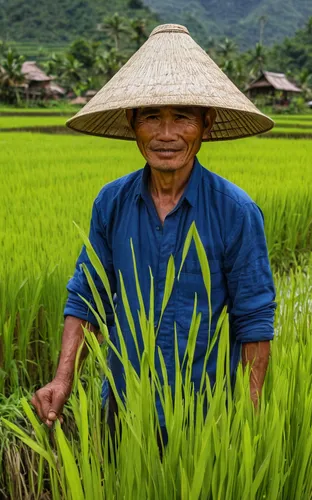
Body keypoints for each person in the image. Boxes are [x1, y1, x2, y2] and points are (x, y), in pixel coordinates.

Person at [31, 24, 276, 435]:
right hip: (124, 408)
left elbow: (254, 323)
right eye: (152, 117)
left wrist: (248, 418)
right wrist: (63, 378)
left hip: (205, 415)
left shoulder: (236, 212)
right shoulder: (111, 203)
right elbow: (86, 294)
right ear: (131, 122)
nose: (166, 134)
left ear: (207, 123)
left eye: (182, 117)